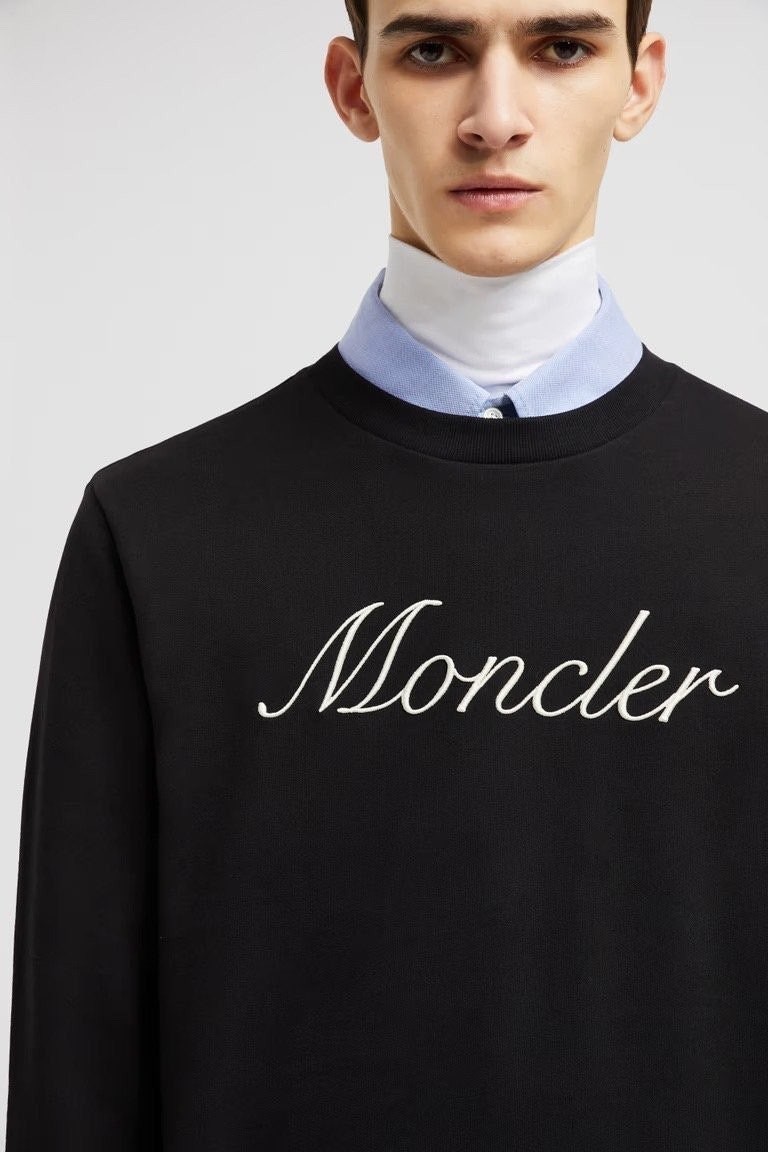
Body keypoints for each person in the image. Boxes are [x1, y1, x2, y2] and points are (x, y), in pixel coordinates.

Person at [5, 1, 768, 1148]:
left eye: (561, 48)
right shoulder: (157, 532)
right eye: (435, 51)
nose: (495, 118)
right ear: (354, 87)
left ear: (641, 82)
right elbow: (77, 1065)